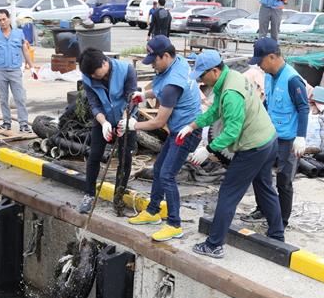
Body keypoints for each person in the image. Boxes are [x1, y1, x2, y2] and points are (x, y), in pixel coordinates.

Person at [176, 50, 285, 258]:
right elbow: (215, 111)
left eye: (202, 74)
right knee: (264, 187)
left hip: (253, 147)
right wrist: (191, 126)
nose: (200, 79)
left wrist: (207, 150)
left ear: (215, 71)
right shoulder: (230, 77)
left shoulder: (230, 93)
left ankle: (214, 244)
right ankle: (277, 236)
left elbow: (232, 131)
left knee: (228, 194)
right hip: (268, 139)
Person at [127, 36, 202, 242]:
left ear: (166, 55)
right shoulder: (178, 63)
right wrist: (145, 94)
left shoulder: (172, 85)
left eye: (154, 60)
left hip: (186, 132)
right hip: (181, 128)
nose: (152, 64)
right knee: (160, 169)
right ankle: (152, 212)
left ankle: (174, 224)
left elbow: (158, 122)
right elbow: (160, 87)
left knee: (167, 174)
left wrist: (134, 126)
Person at [242, 38, 308, 228]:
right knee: (260, 174)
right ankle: (262, 209)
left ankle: (282, 220)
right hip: (269, 136)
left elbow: (303, 108)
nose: (259, 66)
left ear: (271, 57)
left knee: (284, 180)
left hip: (288, 140)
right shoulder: (269, 76)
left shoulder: (292, 79)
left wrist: (300, 137)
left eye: (260, 61)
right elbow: (267, 103)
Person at [78, 48, 138, 215]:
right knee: (94, 155)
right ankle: (89, 194)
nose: (94, 78)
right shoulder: (88, 77)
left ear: (104, 62)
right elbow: (94, 104)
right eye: (90, 75)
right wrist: (103, 123)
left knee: (125, 158)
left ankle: (118, 196)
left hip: (126, 119)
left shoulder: (126, 70)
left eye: (96, 74)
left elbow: (132, 98)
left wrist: (125, 120)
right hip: (103, 118)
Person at [0, 9, 37, 133]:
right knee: (3, 99)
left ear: (9, 18)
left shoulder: (19, 33)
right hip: (0, 71)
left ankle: (23, 124)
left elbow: (25, 51)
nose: (2, 22)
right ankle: (6, 122)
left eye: (4, 19)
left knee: (20, 98)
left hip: (15, 71)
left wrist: (32, 67)